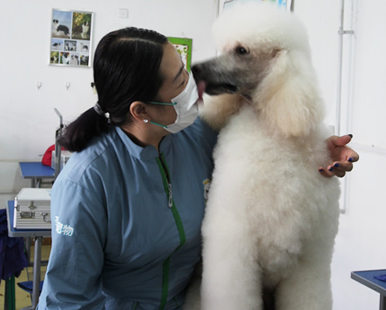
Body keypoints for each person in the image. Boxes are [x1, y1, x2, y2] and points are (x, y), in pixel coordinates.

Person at [37, 27, 359, 310]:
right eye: (179, 80)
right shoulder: (87, 182)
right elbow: (67, 299)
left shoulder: (197, 137)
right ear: (142, 110)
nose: (196, 84)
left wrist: (318, 152)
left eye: (185, 69)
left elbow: (272, 137)